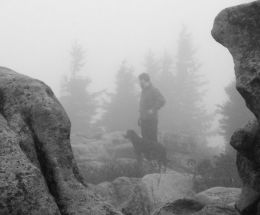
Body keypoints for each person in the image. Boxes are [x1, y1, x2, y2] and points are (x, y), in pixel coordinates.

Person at [138, 73, 165, 143]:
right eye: (140, 80)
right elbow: (142, 106)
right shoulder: (143, 91)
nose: (140, 82)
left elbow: (162, 100)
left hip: (151, 120)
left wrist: (153, 109)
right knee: (145, 140)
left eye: (141, 80)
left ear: (146, 80)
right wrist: (140, 117)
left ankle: (155, 154)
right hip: (144, 120)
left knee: (152, 140)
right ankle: (147, 154)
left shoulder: (153, 90)